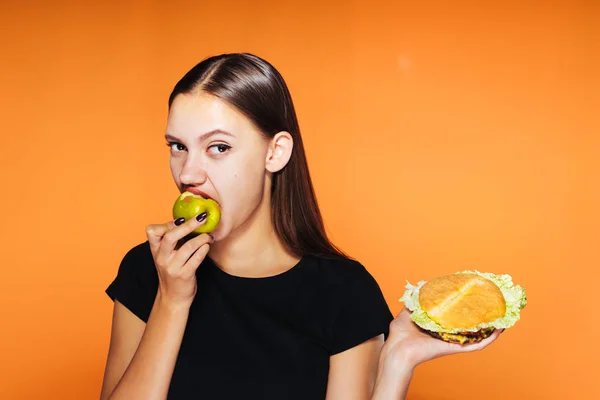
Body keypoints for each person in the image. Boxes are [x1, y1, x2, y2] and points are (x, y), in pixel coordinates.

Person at [99, 53, 502, 400]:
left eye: (218, 148)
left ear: (275, 153)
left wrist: (396, 362)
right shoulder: (146, 270)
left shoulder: (344, 293)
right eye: (178, 147)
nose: (189, 174)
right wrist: (172, 301)